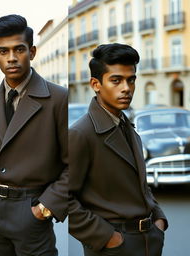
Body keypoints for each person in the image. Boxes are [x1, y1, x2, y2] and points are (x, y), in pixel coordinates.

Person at [0, 14, 68, 256]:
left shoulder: (58, 99)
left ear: (32, 52)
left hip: (32, 210)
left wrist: (45, 207)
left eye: (19, 49)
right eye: (3, 51)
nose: (11, 58)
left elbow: (75, 164)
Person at [69, 43, 168, 256]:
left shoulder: (126, 125)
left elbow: (139, 183)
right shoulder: (80, 133)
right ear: (96, 84)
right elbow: (65, 198)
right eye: (116, 80)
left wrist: (158, 219)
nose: (126, 88)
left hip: (149, 241)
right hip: (114, 247)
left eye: (131, 80)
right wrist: (108, 238)